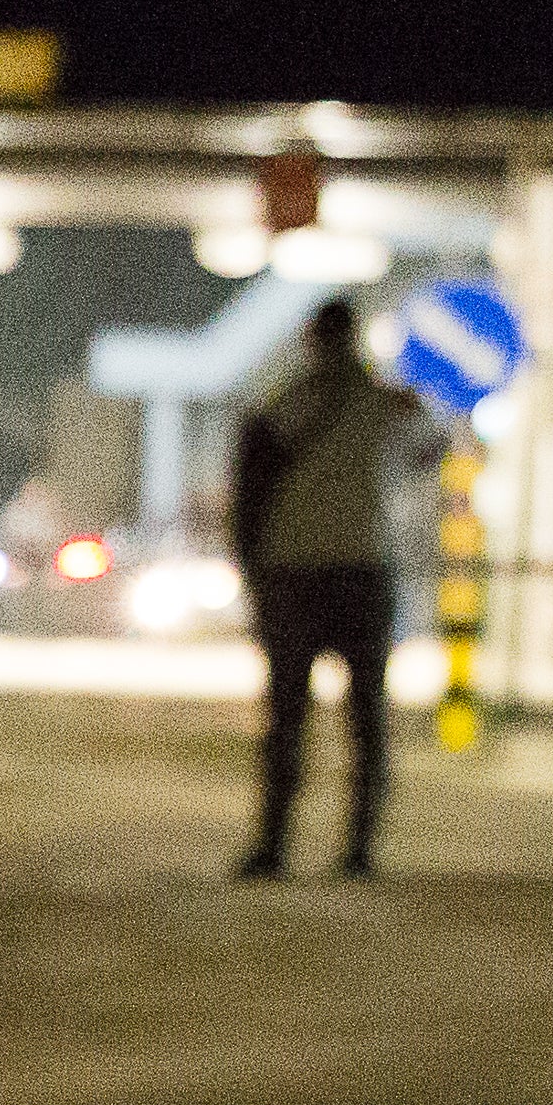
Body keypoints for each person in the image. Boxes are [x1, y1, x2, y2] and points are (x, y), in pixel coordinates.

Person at [230, 296, 439, 879]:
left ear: (310, 340)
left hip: (294, 575)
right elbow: (432, 450)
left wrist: (253, 571)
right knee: (367, 716)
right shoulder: (385, 403)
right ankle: (360, 849)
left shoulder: (283, 406)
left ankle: (273, 844)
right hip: (361, 574)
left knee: (287, 715)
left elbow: (248, 492)